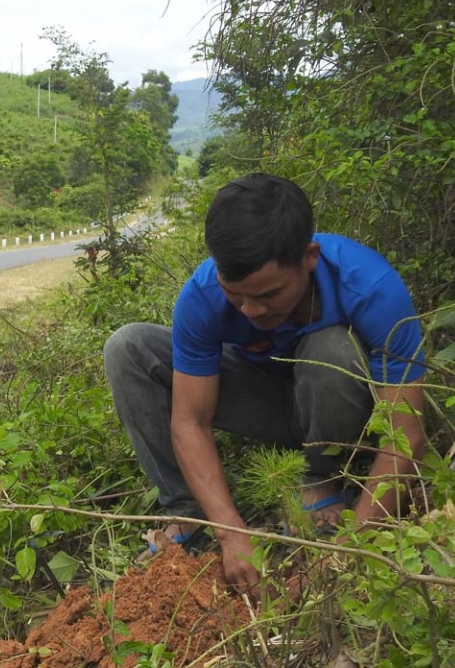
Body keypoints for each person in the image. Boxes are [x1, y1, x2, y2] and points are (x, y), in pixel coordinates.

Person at [103, 172, 426, 592]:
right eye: (236, 295)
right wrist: (231, 534)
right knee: (129, 347)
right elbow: (190, 422)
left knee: (331, 345)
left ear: (308, 257)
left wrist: (358, 541)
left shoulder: (371, 288)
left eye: (269, 294)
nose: (251, 310)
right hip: (267, 403)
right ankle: (190, 511)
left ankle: (323, 481)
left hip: (341, 407)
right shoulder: (203, 296)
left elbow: (406, 434)